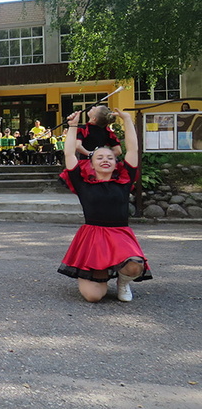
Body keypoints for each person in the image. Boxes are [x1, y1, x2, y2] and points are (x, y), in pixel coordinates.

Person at [58, 108, 152, 302]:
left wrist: (127, 120)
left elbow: (133, 149)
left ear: (116, 162)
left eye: (110, 158)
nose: (105, 160)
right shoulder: (82, 183)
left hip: (120, 235)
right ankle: (99, 276)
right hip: (93, 238)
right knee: (94, 297)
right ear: (91, 164)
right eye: (99, 158)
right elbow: (69, 153)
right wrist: (73, 126)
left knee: (135, 266)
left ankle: (122, 282)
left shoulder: (125, 181)